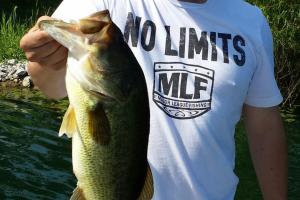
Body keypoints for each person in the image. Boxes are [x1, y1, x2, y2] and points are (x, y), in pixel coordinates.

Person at [20, 0, 287, 199]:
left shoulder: (251, 21)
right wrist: (43, 59)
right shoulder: (105, 3)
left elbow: (265, 125)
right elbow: (52, 86)